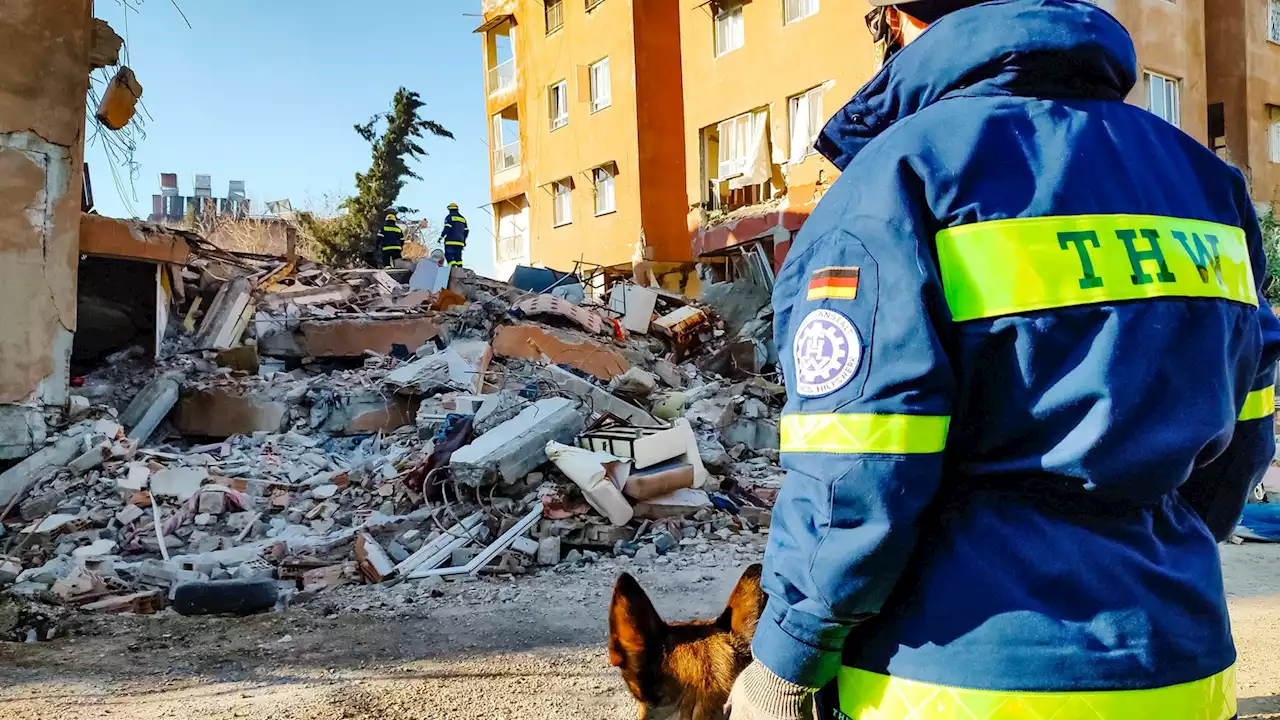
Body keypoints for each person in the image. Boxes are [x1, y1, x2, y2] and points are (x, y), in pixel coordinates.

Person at [727, 0, 1280, 718]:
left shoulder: (899, 179)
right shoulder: (1206, 186)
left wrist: (791, 659)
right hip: (1181, 666)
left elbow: (861, 464)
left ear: (894, 20)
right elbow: (1244, 435)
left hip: (957, 682)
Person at [440, 202, 469, 268]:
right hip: (460, 242)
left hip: (450, 241)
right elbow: (466, 231)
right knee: (458, 257)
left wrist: (441, 236)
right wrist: (464, 241)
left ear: (450, 209)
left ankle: (452, 268)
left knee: (449, 255)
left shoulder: (449, 217)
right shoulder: (463, 219)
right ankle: (459, 268)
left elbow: (447, 228)